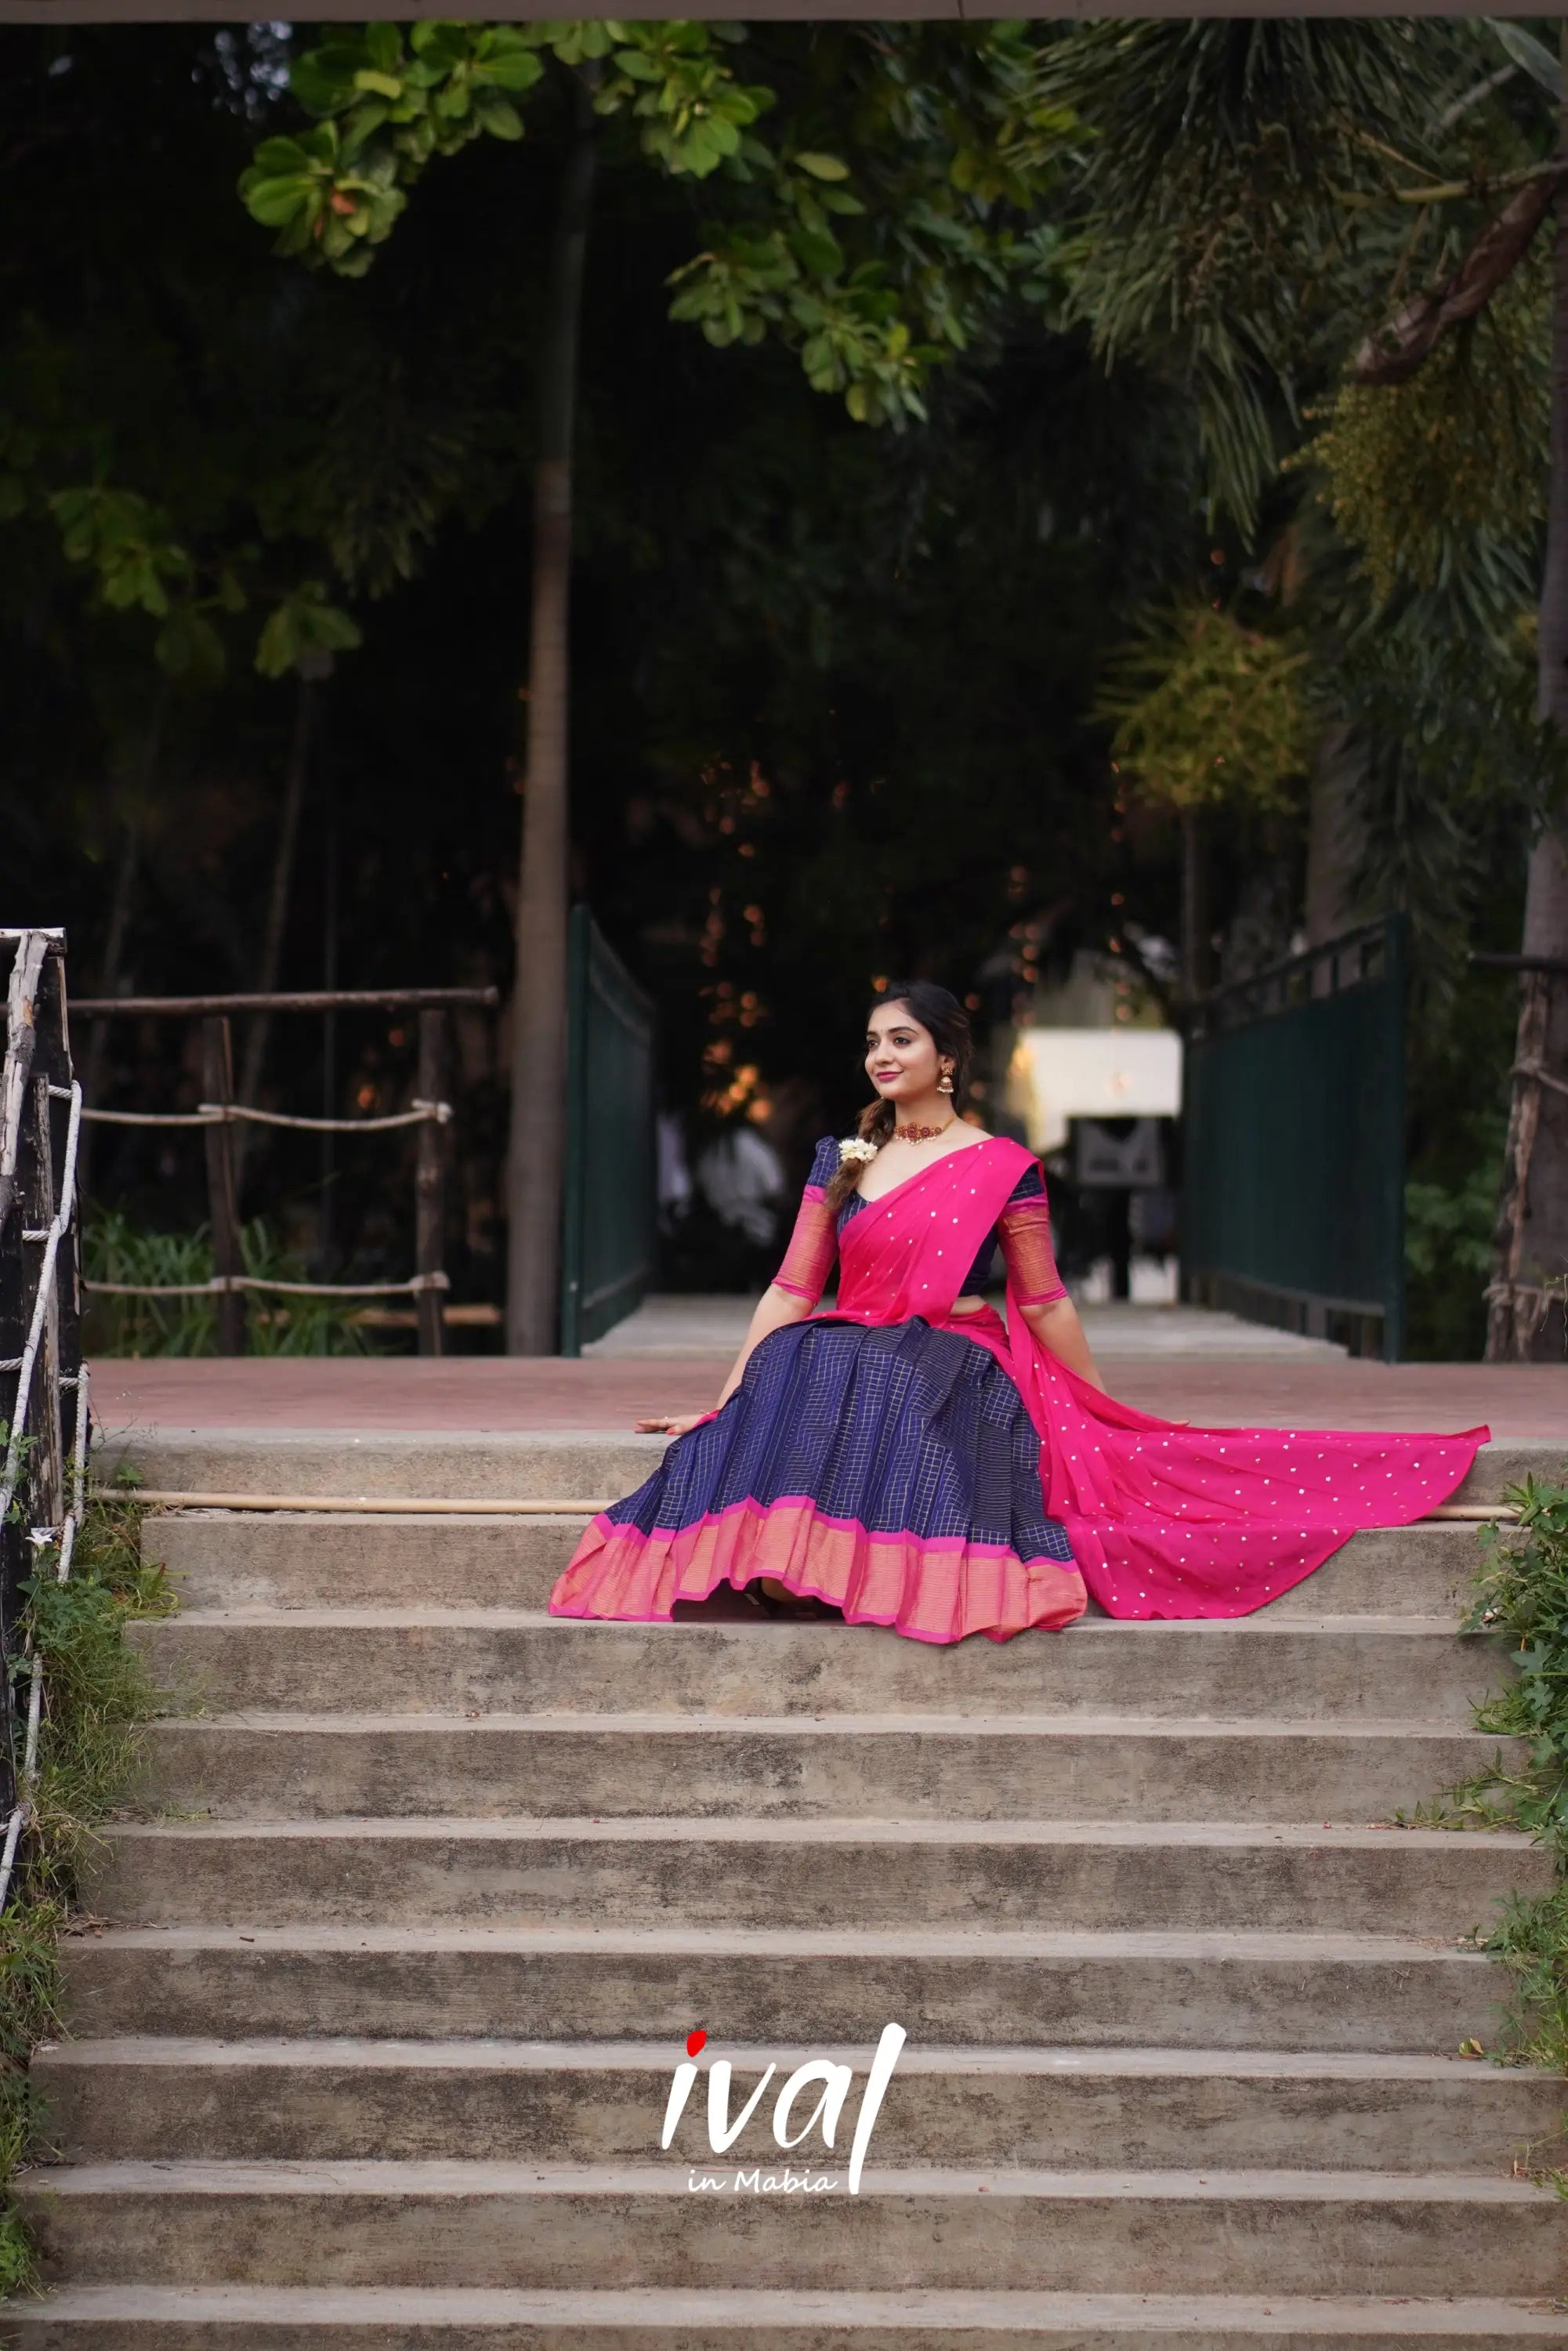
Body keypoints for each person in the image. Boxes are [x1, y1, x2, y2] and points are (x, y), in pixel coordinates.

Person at [549, 981, 1486, 1643]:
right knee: (804, 1355)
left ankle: (827, 1574)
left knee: (867, 1368)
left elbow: (1041, 1300)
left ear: (946, 1056)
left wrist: (1098, 1414)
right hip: (851, 1340)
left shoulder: (1002, 1165)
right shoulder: (842, 1160)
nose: (882, 1055)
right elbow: (793, 1290)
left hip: (956, 1351)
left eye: (902, 1039)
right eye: (872, 1042)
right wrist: (726, 1402)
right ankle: (786, 1567)